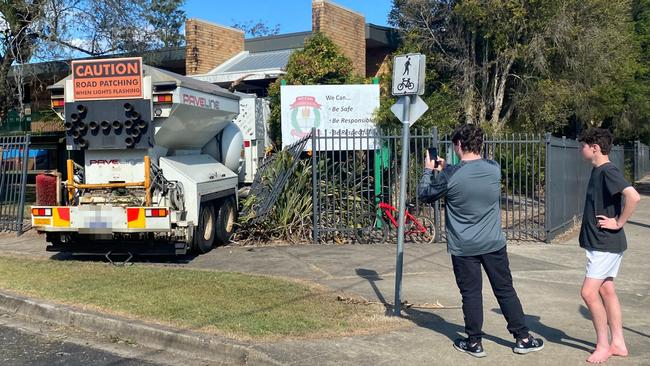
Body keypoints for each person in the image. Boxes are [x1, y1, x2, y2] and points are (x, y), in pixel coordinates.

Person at [417, 124, 544, 358]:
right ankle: (523, 338)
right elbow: (470, 174)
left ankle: (474, 342)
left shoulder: (449, 176)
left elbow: (425, 194)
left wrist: (429, 170)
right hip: (493, 243)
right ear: (481, 145)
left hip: (464, 247)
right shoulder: (494, 168)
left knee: (471, 294)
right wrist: (448, 168)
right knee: (505, 290)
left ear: (458, 145)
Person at [577, 128, 640, 363]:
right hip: (602, 243)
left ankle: (603, 345)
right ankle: (619, 343)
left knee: (588, 292)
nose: (580, 149)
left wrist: (619, 222)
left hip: (605, 243)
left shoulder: (608, 171)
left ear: (594, 148)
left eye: (583, 145)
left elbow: (633, 196)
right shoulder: (598, 171)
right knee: (606, 290)